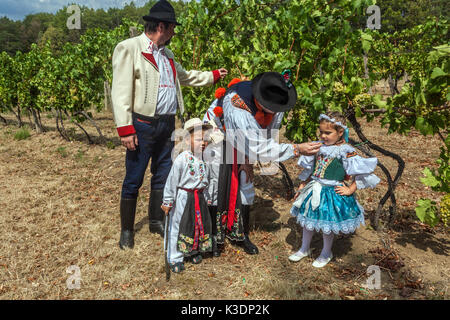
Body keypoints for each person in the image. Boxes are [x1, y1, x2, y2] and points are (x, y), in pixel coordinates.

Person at [111, 0, 227, 249]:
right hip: (141, 124)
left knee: (162, 175)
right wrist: (125, 128)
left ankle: (156, 221)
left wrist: (213, 75)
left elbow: (186, 78)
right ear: (162, 26)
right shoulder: (129, 48)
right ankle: (127, 232)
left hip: (166, 124)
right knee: (134, 177)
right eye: (173, 28)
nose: (174, 32)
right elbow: (120, 91)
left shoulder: (168, 55)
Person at [214, 71, 322, 255]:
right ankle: (214, 234)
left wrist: (247, 160)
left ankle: (240, 233)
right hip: (220, 135)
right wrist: (296, 149)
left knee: (245, 181)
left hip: (247, 139)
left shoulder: (276, 104)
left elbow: (266, 134)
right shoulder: (239, 108)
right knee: (218, 182)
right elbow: (257, 146)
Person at [288, 111, 380, 268]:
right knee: (307, 220)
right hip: (314, 188)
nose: (323, 136)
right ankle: (304, 248)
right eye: (321, 132)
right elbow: (311, 169)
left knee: (328, 224)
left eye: (328, 133)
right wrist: (303, 183)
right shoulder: (318, 147)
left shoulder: (345, 150)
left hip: (332, 192)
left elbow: (360, 171)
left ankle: (326, 252)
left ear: (340, 132)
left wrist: (350, 189)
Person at [161, 118, 213, 273]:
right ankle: (174, 257)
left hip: (199, 198)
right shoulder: (182, 159)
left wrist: (208, 196)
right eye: (198, 139)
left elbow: (207, 180)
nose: (202, 143)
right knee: (178, 226)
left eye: (205, 140)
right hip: (184, 198)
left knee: (197, 224)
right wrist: (168, 200)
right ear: (187, 139)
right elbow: (172, 181)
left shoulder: (205, 159)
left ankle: (192, 250)